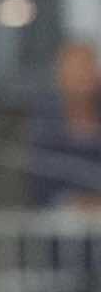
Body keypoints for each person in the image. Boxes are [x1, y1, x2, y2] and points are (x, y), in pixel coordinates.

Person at [28, 40, 101, 209]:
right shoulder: (43, 124)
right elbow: (41, 186)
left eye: (86, 68)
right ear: (60, 77)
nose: (81, 77)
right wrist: (79, 204)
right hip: (60, 215)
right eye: (74, 70)